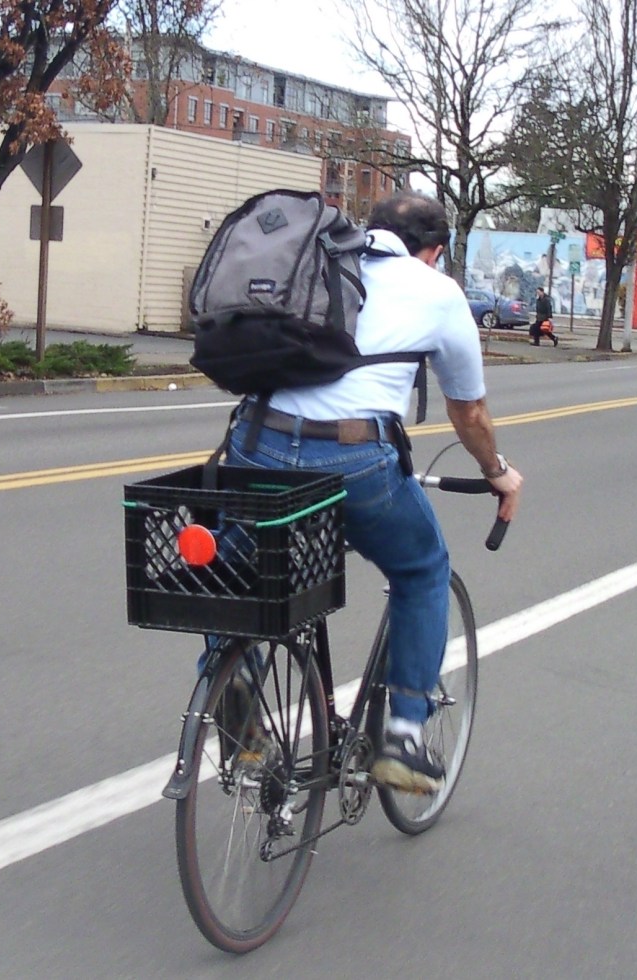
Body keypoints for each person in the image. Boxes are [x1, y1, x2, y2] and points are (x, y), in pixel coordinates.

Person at [223, 191, 523, 794]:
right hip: (354, 458)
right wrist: (496, 471)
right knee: (422, 569)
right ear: (435, 251)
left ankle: (238, 690)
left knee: (229, 572)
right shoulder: (438, 292)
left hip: (257, 442)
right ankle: (406, 738)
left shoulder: (317, 258)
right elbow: (468, 411)